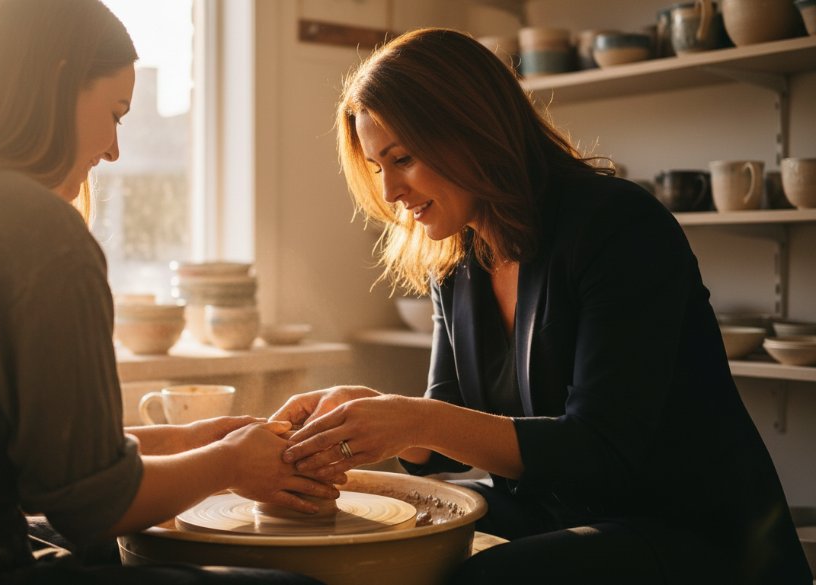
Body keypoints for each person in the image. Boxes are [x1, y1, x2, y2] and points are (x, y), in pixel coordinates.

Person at [0, 1, 331, 583]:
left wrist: (184, 441)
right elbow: (94, 508)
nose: (114, 150)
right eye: (116, 113)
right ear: (56, 79)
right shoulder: (35, 227)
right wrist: (230, 464)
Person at [271, 28, 813, 585]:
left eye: (402, 158)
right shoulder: (457, 258)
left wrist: (413, 419)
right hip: (560, 515)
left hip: (690, 532)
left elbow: (601, 449)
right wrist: (367, 417)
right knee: (389, 544)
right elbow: (443, 440)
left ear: (472, 129)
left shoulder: (618, 226)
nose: (389, 193)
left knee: (482, 577)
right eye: (377, 167)